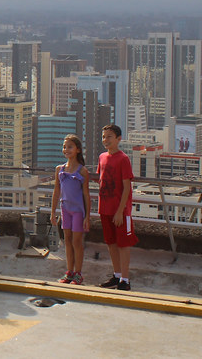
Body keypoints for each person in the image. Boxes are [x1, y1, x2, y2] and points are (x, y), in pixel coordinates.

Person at [97, 124, 137, 290]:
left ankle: (125, 280)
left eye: (109, 137)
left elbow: (127, 187)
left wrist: (120, 211)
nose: (106, 140)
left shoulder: (123, 159)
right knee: (111, 243)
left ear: (118, 139)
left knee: (123, 244)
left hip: (121, 210)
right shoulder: (102, 157)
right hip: (105, 208)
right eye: (104, 136)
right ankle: (117, 275)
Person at [50, 134, 91, 285]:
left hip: (78, 211)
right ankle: (69, 271)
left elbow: (86, 195)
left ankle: (78, 273)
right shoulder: (59, 170)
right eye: (64, 147)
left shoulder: (82, 171)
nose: (66, 149)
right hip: (65, 209)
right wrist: (53, 212)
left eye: (70, 147)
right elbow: (56, 192)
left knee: (77, 241)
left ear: (78, 150)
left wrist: (87, 216)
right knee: (66, 240)